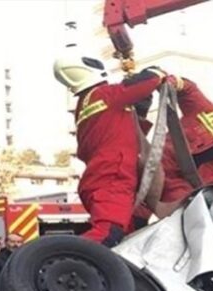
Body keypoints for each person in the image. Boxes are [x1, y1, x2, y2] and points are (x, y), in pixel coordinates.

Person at [54, 51, 169, 246]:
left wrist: (138, 111)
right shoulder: (105, 94)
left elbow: (120, 133)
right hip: (114, 176)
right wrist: (156, 72)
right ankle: (65, 257)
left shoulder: (86, 105)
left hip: (102, 178)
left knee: (129, 239)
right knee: (109, 233)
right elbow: (147, 81)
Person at [134, 77, 213, 224]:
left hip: (177, 195)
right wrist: (173, 82)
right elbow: (189, 90)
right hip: (147, 170)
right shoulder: (208, 112)